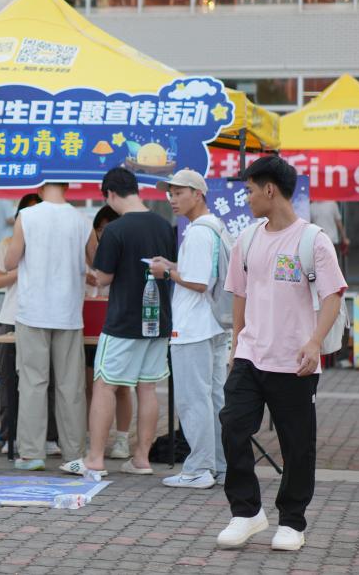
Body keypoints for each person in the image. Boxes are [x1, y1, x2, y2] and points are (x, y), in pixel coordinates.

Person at [216, 156, 345, 552]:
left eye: (250, 190)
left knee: (297, 445)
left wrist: (314, 342)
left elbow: (332, 296)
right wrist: (236, 347)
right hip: (250, 356)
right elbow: (240, 295)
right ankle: (247, 512)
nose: (247, 198)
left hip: (295, 362)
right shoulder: (247, 239)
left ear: (270, 189)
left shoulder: (313, 240)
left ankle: (292, 521)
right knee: (233, 425)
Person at [68, 168, 175, 478]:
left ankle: (95, 458)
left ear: (111, 194)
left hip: (123, 321)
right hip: (158, 320)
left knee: (104, 385)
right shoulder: (164, 225)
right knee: (147, 387)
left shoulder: (115, 229)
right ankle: (141, 458)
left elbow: (104, 278)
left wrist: (90, 273)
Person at [149, 170, 229, 490]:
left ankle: (198, 469)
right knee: (213, 398)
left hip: (193, 327)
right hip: (213, 324)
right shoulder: (215, 226)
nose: (173, 199)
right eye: (170, 193)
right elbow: (203, 276)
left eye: (179, 192)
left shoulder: (197, 232)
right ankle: (220, 465)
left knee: (193, 400)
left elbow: (197, 282)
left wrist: (166, 273)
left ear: (198, 194)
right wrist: (172, 266)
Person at [4, 182, 90, 472]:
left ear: (40, 188)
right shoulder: (82, 220)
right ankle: (74, 453)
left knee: (33, 383)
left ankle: (32, 453)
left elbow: (10, 261)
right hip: (69, 312)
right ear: (67, 186)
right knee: (71, 386)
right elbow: (97, 261)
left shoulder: (27, 216)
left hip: (32, 311)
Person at [0, 193, 61, 458]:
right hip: (11, 317)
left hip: (46, 318)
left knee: (48, 379)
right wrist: (24, 269)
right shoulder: (8, 244)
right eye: (27, 213)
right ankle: (10, 436)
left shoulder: (54, 247)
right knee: (9, 379)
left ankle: (49, 437)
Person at [84, 205, 133, 461]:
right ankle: (92, 437)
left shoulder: (125, 255)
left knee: (122, 387)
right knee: (90, 386)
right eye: (100, 229)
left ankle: (122, 439)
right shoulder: (86, 258)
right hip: (89, 332)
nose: (104, 233)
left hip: (118, 329)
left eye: (108, 228)